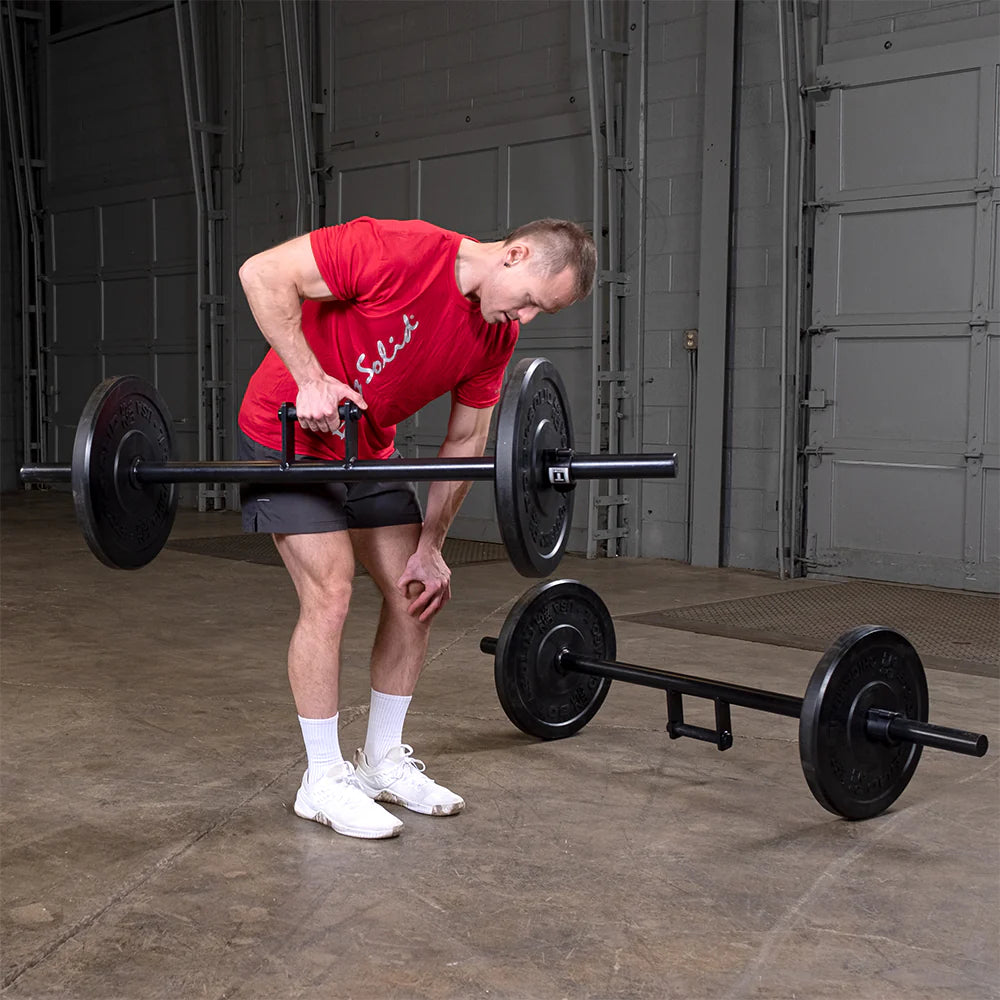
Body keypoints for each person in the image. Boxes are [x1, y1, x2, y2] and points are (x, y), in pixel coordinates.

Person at [237, 216, 596, 840]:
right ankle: (322, 779)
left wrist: (431, 546)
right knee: (332, 591)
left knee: (414, 592)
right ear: (514, 255)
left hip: (365, 446)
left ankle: (380, 762)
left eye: (542, 312)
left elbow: (465, 441)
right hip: (287, 433)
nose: (526, 318)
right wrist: (310, 378)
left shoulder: (494, 337)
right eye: (531, 301)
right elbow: (261, 273)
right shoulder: (397, 251)